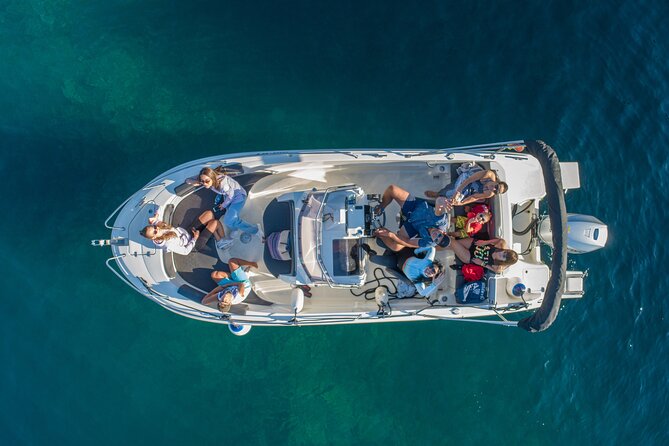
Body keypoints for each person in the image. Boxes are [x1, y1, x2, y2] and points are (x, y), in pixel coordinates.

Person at [372, 184, 451, 251]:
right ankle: (380, 208)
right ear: (443, 232)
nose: (435, 235)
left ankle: (377, 230)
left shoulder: (429, 242)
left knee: (395, 247)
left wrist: (391, 235)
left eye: (436, 239)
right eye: (439, 235)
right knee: (392, 189)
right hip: (414, 207)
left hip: (412, 226)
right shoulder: (440, 220)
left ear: (434, 242)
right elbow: (438, 205)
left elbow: (408, 243)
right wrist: (441, 200)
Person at [187, 167, 261, 238]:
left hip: (238, 198)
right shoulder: (209, 176)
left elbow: (231, 196)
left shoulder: (223, 186)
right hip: (227, 195)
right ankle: (235, 229)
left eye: (207, 181)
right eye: (202, 181)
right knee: (231, 219)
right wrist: (198, 182)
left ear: (212, 178)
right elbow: (188, 180)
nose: (205, 184)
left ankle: (256, 230)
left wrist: (223, 205)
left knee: (228, 220)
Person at [425, 163, 508, 208]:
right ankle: (438, 194)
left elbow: (474, 197)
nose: (493, 189)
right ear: (496, 182)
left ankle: (440, 201)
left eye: (496, 191)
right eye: (496, 187)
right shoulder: (488, 175)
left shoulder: (489, 194)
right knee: (453, 191)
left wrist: (461, 203)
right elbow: (469, 180)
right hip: (468, 177)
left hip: (470, 188)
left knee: (455, 200)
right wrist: (457, 192)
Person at [140, 212, 232, 252]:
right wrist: (195, 238)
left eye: (155, 227)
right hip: (193, 244)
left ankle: (214, 232)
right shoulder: (168, 244)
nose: (157, 229)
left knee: (209, 214)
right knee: (215, 222)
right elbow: (185, 251)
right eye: (155, 232)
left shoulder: (158, 228)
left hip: (186, 232)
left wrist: (155, 220)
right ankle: (222, 242)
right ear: (153, 238)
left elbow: (158, 222)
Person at [447, 237, 518, 273]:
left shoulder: (498, 267)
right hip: (474, 244)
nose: (501, 253)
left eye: (503, 257)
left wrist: (482, 263)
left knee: (451, 242)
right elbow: (501, 240)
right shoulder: (501, 245)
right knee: (450, 244)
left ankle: (437, 240)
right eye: (504, 252)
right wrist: (485, 242)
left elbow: (495, 270)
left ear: (504, 262)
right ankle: (437, 242)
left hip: (470, 257)